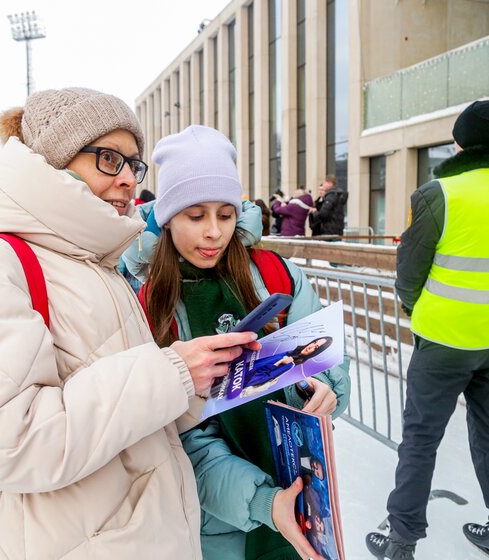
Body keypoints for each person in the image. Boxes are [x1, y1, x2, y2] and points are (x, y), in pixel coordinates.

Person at [0, 87, 259, 559]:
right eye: (109, 159)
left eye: (133, 163)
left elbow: (129, 419)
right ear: (54, 161)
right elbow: (8, 441)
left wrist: (197, 379)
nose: (128, 179)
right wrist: (171, 371)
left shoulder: (89, 264)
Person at [133, 125, 350, 560]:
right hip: (215, 522)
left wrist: (322, 390)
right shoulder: (148, 300)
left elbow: (328, 367)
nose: (213, 232)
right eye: (195, 216)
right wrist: (263, 504)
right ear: (168, 216)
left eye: (225, 214)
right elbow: (183, 438)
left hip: (302, 493)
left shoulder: (276, 274)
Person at [366, 100, 489, 560]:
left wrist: (417, 311)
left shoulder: (439, 193)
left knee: (421, 440)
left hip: (443, 342)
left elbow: (409, 272)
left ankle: (401, 542)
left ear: (462, 140)